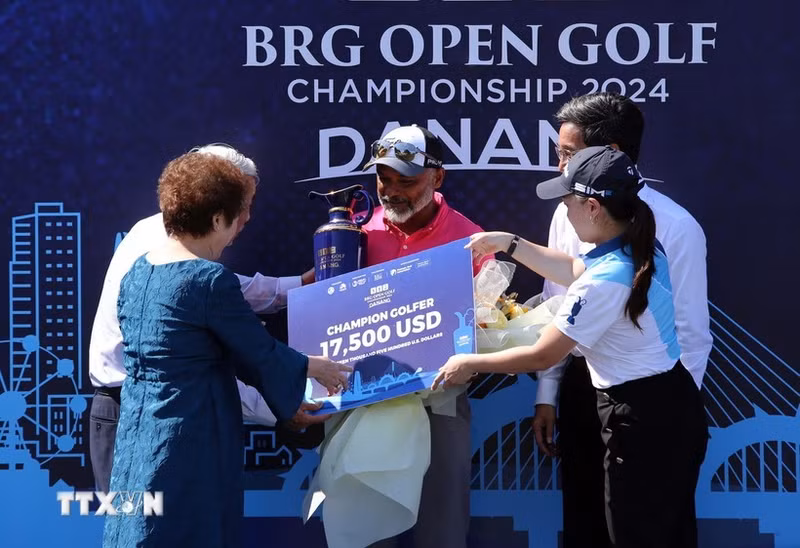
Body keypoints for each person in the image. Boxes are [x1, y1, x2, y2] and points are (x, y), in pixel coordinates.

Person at [433, 146, 709, 548]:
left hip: (643, 420)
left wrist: (468, 361)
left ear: (593, 207)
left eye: (567, 199)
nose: (563, 207)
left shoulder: (605, 282)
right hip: (666, 405)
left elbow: (544, 354)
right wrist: (509, 243)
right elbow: (571, 269)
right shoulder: (634, 244)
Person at [102, 152, 350, 548]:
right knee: (191, 531)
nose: (238, 229)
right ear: (217, 219)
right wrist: (314, 368)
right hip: (190, 435)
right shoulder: (207, 279)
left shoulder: (137, 272)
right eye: (237, 219)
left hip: (137, 431)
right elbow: (257, 351)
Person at [532, 93, 713, 548]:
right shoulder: (565, 209)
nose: (559, 167)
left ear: (610, 153)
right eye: (559, 154)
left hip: (649, 400)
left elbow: (691, 335)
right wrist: (547, 394)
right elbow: (559, 306)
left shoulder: (677, 226)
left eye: (568, 155)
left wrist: (663, 413)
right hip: (582, 387)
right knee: (587, 521)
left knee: (650, 530)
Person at [361, 124, 488, 548]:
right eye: (384, 178)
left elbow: (490, 320)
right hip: (367, 398)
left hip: (442, 397)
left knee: (443, 522)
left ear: (438, 177)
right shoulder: (354, 236)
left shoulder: (473, 239)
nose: (392, 190)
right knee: (370, 523)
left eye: (406, 180)